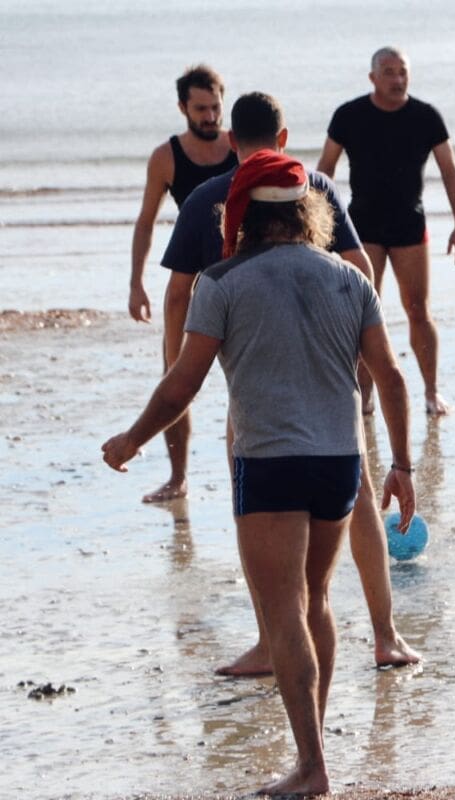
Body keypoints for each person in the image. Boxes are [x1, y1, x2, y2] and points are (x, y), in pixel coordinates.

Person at [104, 150, 415, 796]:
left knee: (282, 614)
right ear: (310, 213)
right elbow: (391, 376)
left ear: (241, 214)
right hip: (339, 463)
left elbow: (181, 385)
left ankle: (311, 766)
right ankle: (314, 750)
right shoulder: (350, 279)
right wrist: (403, 464)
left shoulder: (221, 282)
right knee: (318, 602)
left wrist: (133, 438)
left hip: (269, 464)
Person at [160, 91, 420, 673]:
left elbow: (178, 294)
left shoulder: (211, 198)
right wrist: (357, 344)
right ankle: (385, 636)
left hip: (255, 389)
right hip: (332, 379)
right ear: (283, 138)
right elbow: (362, 271)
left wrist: (177, 369)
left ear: (231, 140)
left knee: (256, 513)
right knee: (358, 500)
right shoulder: (316, 189)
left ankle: (270, 640)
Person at [317, 45, 455, 418]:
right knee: (362, 312)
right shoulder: (349, 115)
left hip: (408, 225)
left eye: (402, 71)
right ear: (372, 78)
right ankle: (363, 397)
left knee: (418, 310)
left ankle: (432, 393)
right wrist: (319, 231)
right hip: (362, 228)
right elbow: (324, 174)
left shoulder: (425, 117)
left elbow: (450, 171)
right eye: (388, 72)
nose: (397, 79)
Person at [130, 64, 238, 503]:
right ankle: (178, 477)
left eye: (215, 107)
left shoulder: (239, 146)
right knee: (175, 377)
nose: (210, 116)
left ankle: (244, 475)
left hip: (240, 272)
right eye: (201, 109)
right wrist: (136, 283)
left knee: (246, 381)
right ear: (182, 108)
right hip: (189, 280)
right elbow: (146, 222)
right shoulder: (166, 157)